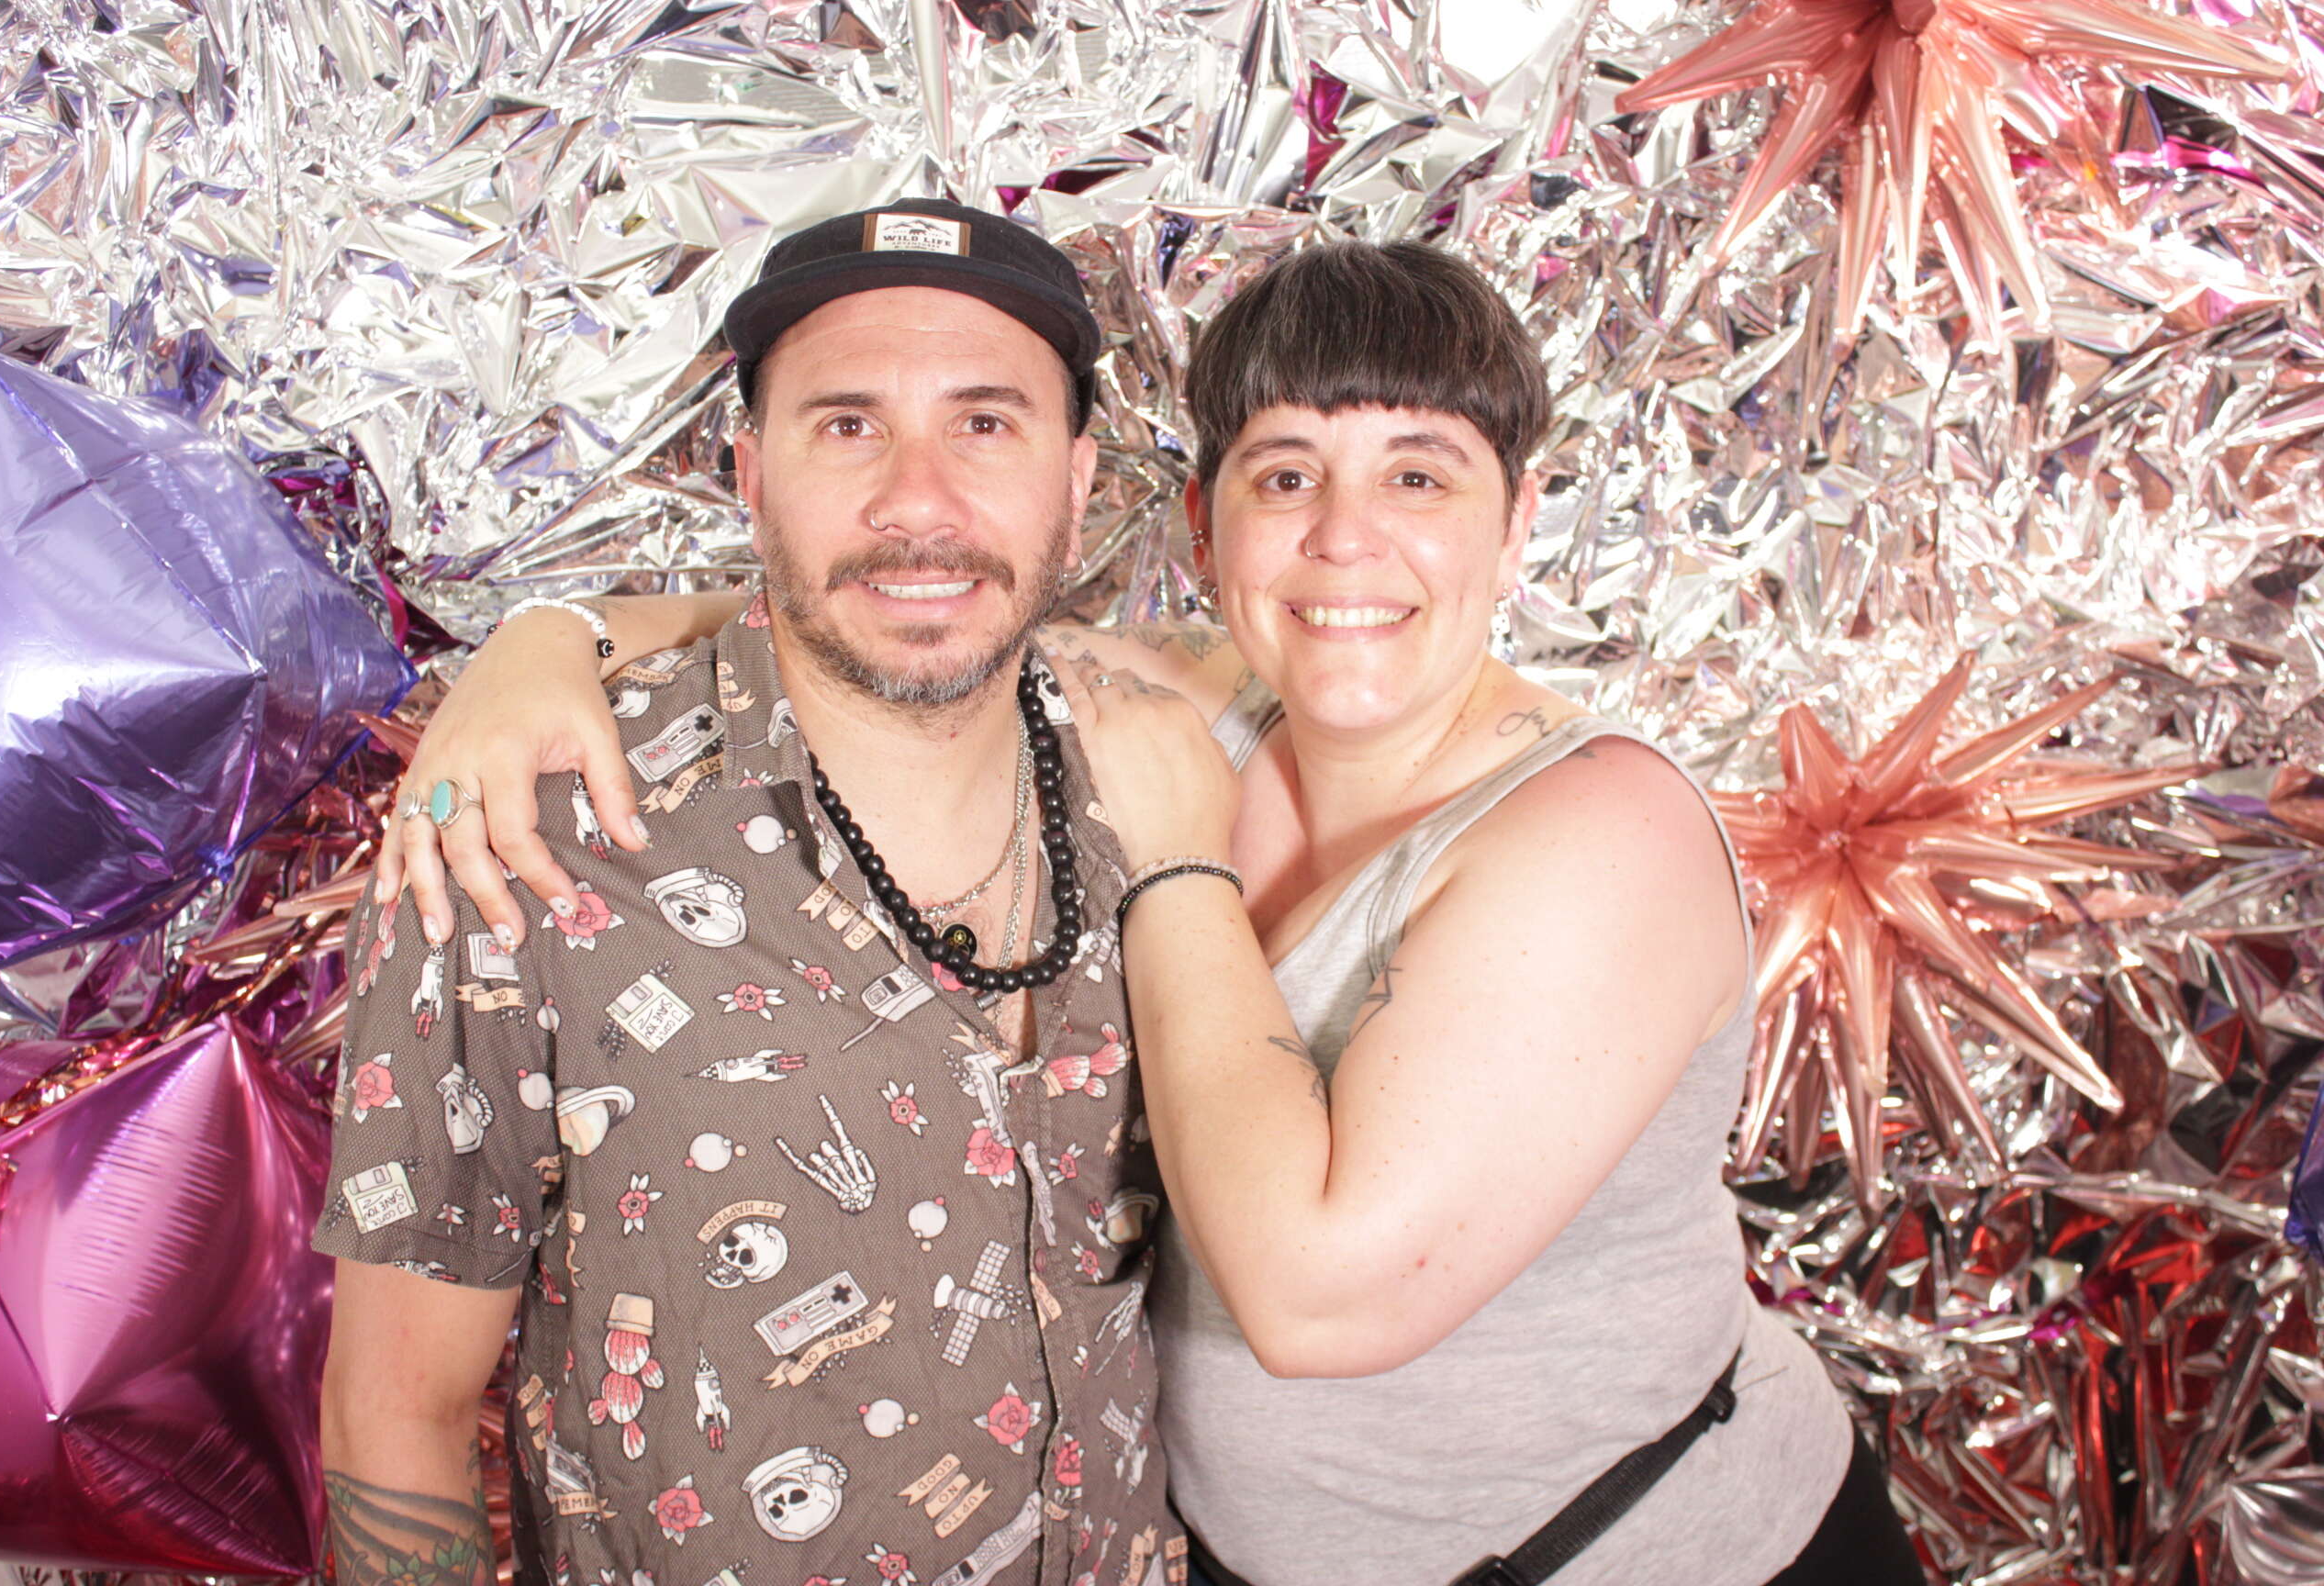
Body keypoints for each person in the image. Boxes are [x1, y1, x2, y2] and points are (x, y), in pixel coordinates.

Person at [387, 242, 1929, 1585]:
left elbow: (1313, 1300)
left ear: (1517, 521)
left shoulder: (1601, 833)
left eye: (1419, 475)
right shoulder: (1207, 705)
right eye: (1286, 476)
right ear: (1205, 526)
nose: (1343, 539)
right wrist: (544, 642)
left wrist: (1185, 873)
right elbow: (888, 596)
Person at [316, 199, 1188, 1586]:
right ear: (752, 474)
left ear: (1078, 482)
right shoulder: (530, 833)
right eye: (847, 424)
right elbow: (395, 1416)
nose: (918, 502)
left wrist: (549, 625)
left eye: (984, 423)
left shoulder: (1168, 781)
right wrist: (541, 637)